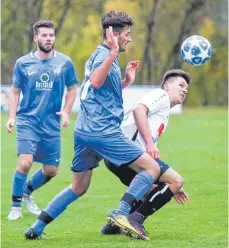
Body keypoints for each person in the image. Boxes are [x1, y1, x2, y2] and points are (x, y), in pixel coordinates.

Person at [24, 11, 161, 240]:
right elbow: (96, 81)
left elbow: (99, 90)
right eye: (127, 34)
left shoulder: (102, 55)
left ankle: (36, 228)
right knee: (152, 169)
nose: (129, 38)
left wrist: (126, 80)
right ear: (114, 35)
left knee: (78, 187)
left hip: (85, 131)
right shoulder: (106, 54)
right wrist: (114, 53)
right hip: (102, 131)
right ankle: (121, 213)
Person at [101, 69, 190, 239]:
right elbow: (138, 110)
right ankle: (135, 219)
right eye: (181, 85)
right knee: (176, 179)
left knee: (155, 191)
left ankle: (113, 226)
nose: (185, 90)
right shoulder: (161, 95)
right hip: (126, 150)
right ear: (167, 86)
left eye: (186, 88)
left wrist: (172, 185)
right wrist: (150, 144)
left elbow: (152, 154)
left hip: (119, 156)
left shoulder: (163, 115)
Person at [6, 20, 78, 221]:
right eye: (44, 35)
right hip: (28, 121)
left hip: (51, 124)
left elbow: (72, 89)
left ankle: (27, 192)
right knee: (25, 163)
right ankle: (15, 206)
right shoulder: (23, 63)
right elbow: (14, 92)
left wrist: (65, 111)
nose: (49, 39)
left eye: (51, 35)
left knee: (51, 170)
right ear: (35, 38)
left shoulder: (65, 62)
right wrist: (12, 117)